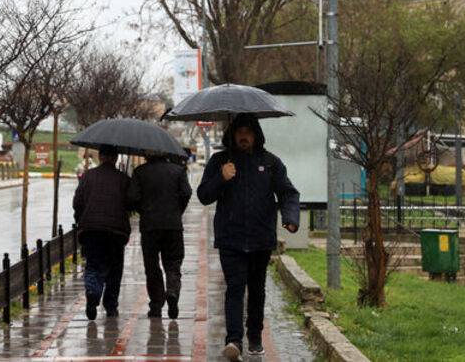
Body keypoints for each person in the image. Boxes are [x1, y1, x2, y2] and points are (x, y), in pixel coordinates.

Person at [196, 113, 300, 361]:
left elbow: (288, 193)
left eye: (248, 132)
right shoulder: (220, 161)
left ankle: (254, 336)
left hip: (261, 238)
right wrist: (222, 177)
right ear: (232, 135)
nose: (243, 136)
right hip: (230, 238)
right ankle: (233, 340)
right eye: (239, 132)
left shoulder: (271, 163)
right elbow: (203, 196)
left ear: (256, 135)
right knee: (234, 288)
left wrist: (290, 217)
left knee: (257, 290)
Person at [127, 154, 192, 319]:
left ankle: (156, 305)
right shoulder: (178, 171)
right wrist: (177, 211)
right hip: (173, 225)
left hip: (149, 226)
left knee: (152, 267)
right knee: (173, 263)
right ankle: (172, 291)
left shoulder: (140, 172)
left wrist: (143, 210)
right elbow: (186, 192)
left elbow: (133, 197)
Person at [73, 144, 131, 320]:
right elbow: (131, 203)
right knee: (115, 268)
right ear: (115, 158)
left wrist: (81, 220)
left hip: (91, 229)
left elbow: (78, 202)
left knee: (93, 264)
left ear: (100, 157)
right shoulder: (123, 179)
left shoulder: (88, 176)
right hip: (116, 231)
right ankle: (110, 306)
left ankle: (92, 291)